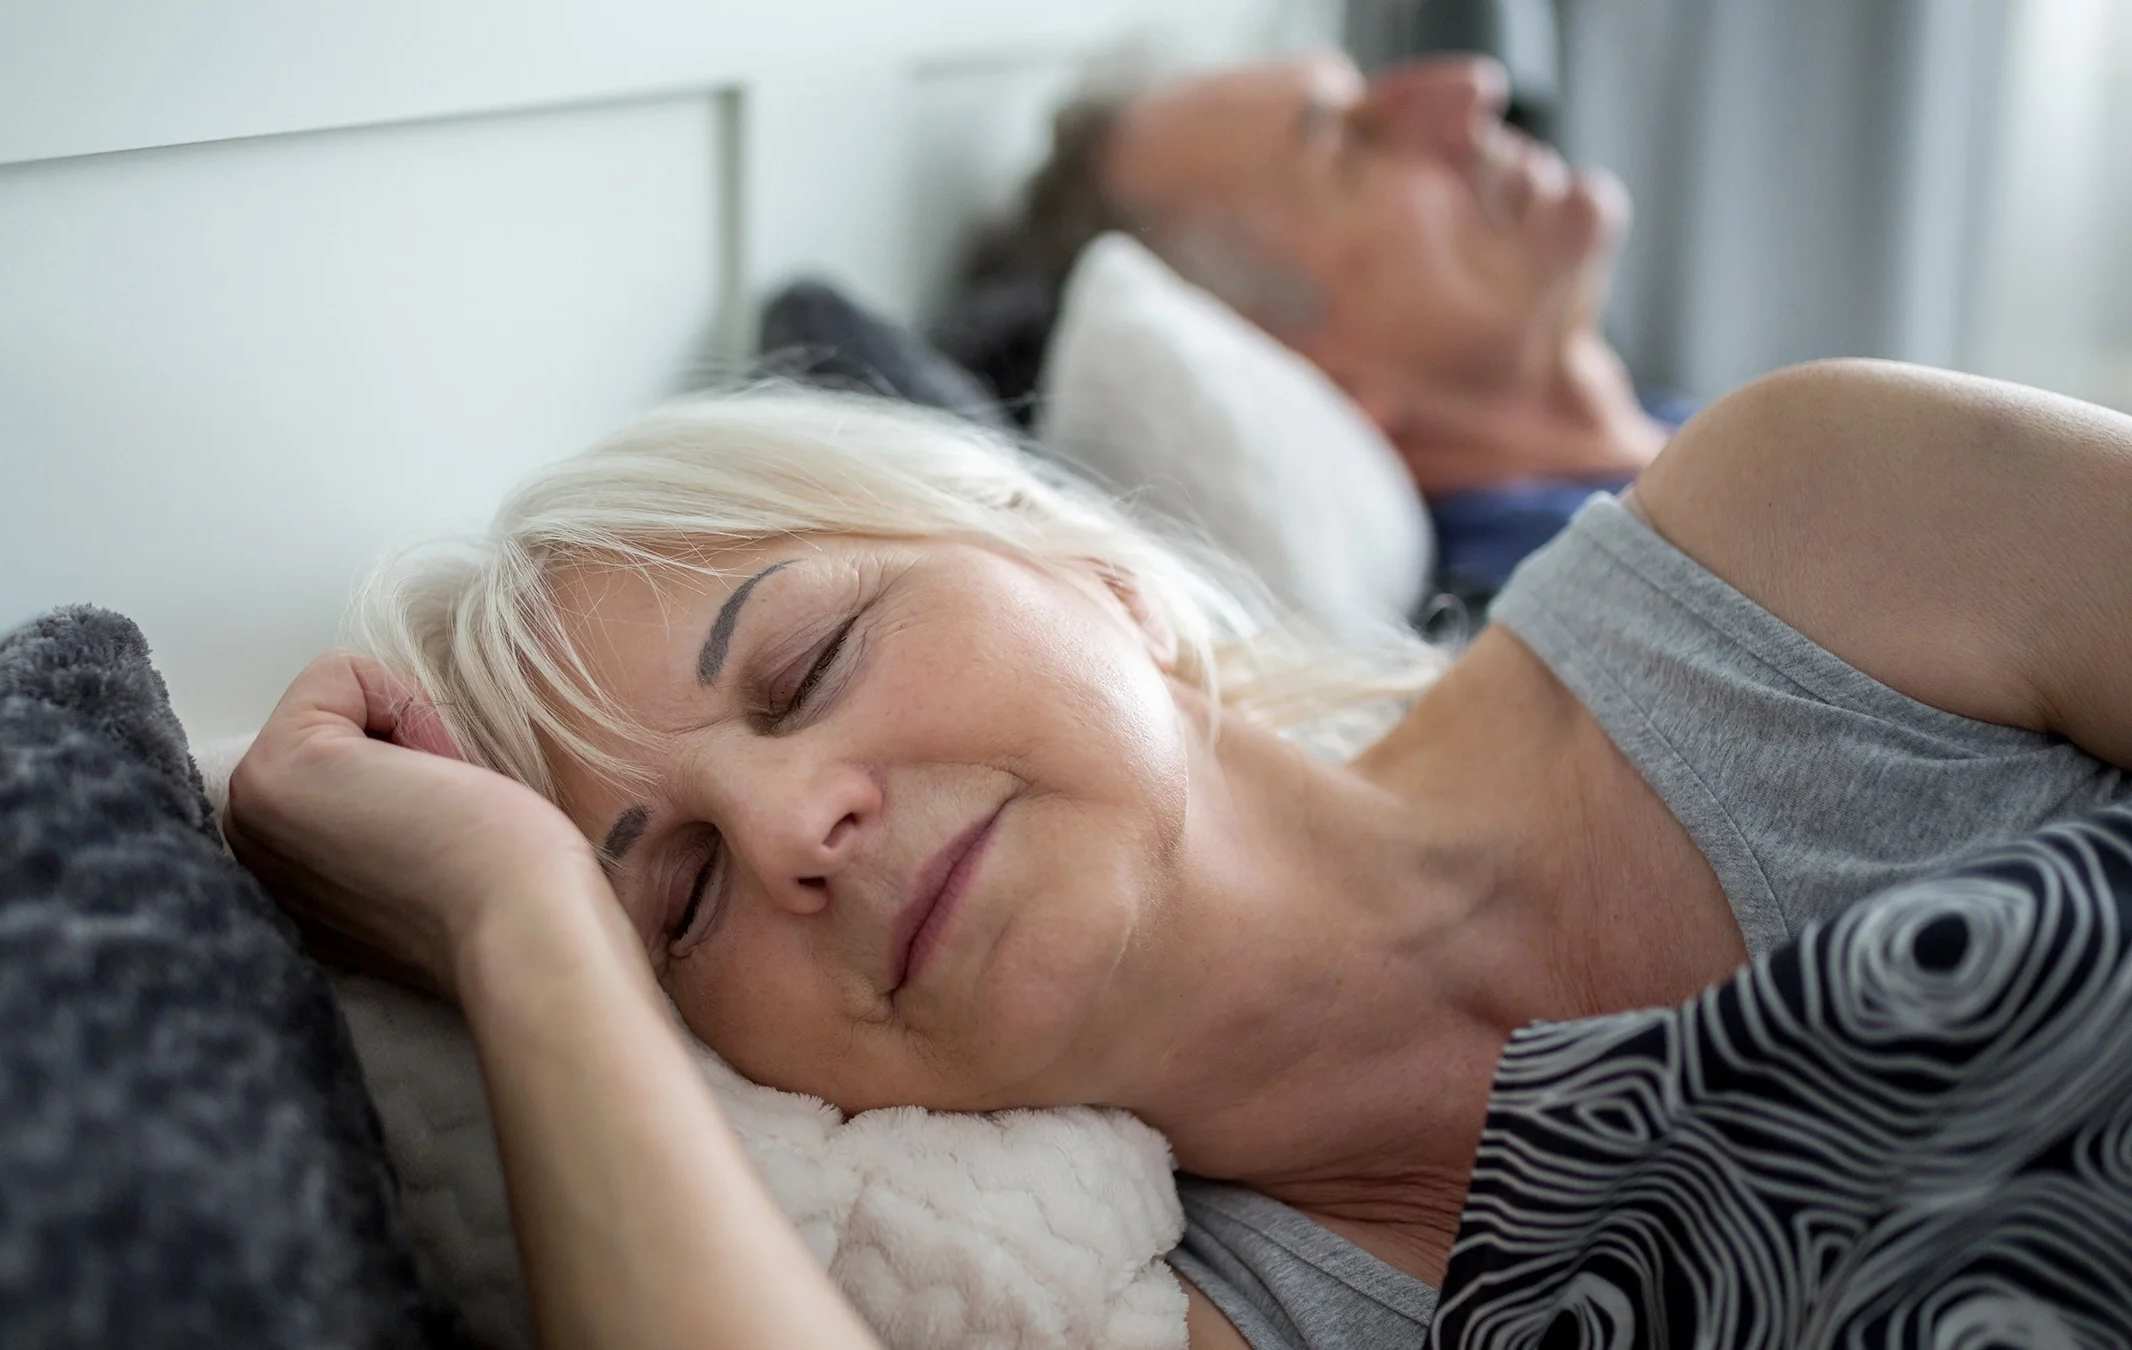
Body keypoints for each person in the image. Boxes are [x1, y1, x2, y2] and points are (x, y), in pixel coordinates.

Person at [223, 358, 2131, 1349]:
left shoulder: (1812, 529)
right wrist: (522, 924)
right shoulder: (1241, 1329)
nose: (799, 826)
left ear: (1098, 577)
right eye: (686, 894)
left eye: (808, 662)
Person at [948, 50, 1682, 605]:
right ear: (1310, 372)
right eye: (1352, 146)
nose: (1472, 84)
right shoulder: (1595, 616)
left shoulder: (1674, 448)